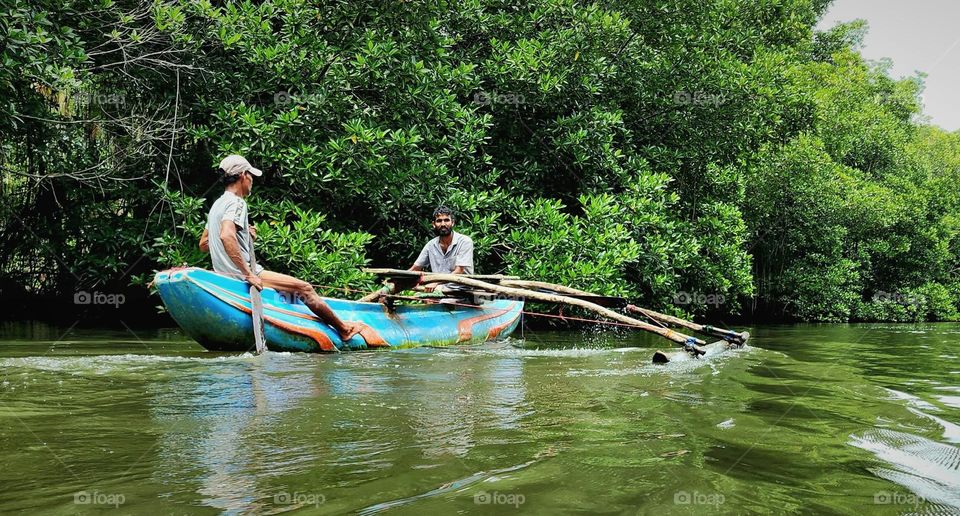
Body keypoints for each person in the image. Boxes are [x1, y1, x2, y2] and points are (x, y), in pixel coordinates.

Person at [199, 154, 360, 341]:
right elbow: (226, 235)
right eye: (251, 176)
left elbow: (203, 244)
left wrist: (241, 232)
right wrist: (248, 274)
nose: (252, 181)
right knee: (305, 289)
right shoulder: (237, 202)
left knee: (291, 292)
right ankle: (344, 329)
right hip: (244, 275)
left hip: (225, 275)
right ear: (243, 175)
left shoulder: (217, 205)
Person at [409, 207, 474, 292]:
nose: (443, 224)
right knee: (422, 298)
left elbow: (459, 271)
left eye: (446, 220)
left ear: (453, 223)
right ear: (433, 224)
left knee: (431, 300)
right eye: (439, 221)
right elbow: (415, 269)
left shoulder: (465, 241)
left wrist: (436, 282)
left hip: (461, 289)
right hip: (438, 288)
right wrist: (396, 279)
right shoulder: (430, 245)